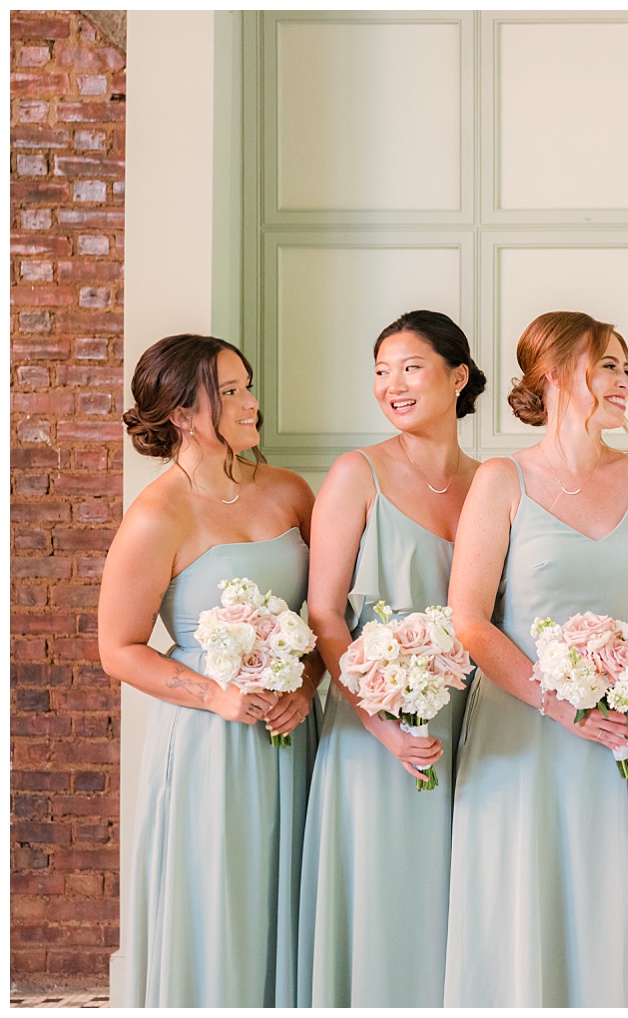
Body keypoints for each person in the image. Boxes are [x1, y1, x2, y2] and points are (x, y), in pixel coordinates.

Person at [444, 311, 628, 1006]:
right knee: (519, 907)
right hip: (523, 732)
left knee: (612, 908)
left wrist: (620, 692)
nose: (623, 380)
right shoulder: (501, 480)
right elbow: (470, 621)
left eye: (626, 367)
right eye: (607, 365)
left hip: (617, 733)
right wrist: (560, 703)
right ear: (552, 375)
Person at [103, 335, 319, 1006]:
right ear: (181, 414)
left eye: (246, 385)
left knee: (293, 898)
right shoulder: (155, 516)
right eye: (229, 392)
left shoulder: (288, 490)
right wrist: (215, 695)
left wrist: (308, 683)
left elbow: (328, 610)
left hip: (295, 729)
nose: (251, 401)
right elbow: (119, 648)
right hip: (209, 740)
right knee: (221, 904)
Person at [297, 311, 485, 1006]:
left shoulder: (492, 480)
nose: (391, 385)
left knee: (458, 898)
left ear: (457, 376)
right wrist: (382, 724)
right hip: (371, 726)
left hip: (470, 722)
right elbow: (324, 613)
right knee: (384, 897)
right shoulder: (358, 473)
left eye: (409, 367)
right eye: (380, 371)